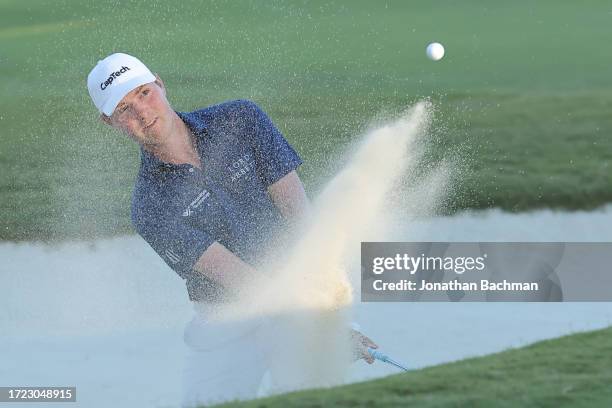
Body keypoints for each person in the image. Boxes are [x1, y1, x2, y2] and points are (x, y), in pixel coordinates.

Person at [87, 52, 377, 406]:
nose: (142, 112)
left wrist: (327, 314)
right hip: (226, 318)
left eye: (144, 94)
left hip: (296, 286)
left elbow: (300, 217)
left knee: (308, 398)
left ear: (161, 84)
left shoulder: (240, 119)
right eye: (124, 110)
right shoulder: (149, 206)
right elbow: (239, 278)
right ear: (109, 122)